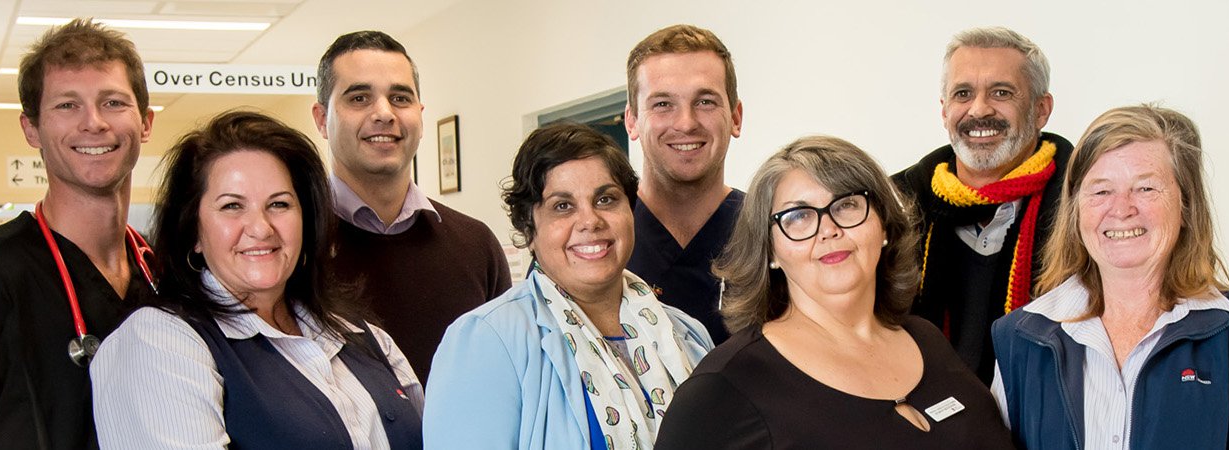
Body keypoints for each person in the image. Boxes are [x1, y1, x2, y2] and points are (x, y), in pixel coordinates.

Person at [656, 136, 1014, 449]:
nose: (827, 229)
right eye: (798, 216)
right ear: (770, 251)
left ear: (884, 224)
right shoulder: (723, 388)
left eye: (846, 205)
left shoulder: (927, 340)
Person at [91, 111, 422, 449]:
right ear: (194, 232)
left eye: (279, 204)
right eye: (232, 206)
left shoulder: (364, 336)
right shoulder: (158, 342)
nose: (261, 228)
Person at [991, 105, 1229, 449]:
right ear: (1075, 210)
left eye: (1145, 188)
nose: (1122, 209)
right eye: (1101, 191)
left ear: (1186, 205)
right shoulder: (1022, 342)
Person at [0, 18, 157, 450]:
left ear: (146, 122)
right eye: (66, 105)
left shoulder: (163, 273)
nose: (93, 123)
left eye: (113, 102)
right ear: (31, 129)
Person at [425, 123, 713, 449]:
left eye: (606, 199)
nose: (590, 221)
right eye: (563, 206)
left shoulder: (686, 334)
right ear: (528, 227)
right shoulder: (487, 341)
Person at [311, 30, 512, 383]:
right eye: (359, 98)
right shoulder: (295, 247)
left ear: (419, 113)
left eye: (400, 98)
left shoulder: (476, 245)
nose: (384, 113)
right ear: (321, 119)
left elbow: (509, 373)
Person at [891, 27, 1075, 380]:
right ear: (944, 111)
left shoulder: (1085, 205)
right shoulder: (894, 208)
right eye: (963, 93)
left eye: (1001, 92)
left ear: (1041, 110)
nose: (979, 109)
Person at [623, 24, 747, 343]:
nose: (686, 123)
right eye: (663, 104)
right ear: (632, 121)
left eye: (705, 101)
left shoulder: (771, 231)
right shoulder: (598, 235)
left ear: (735, 117)